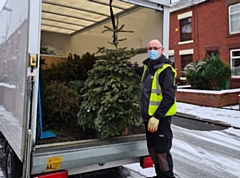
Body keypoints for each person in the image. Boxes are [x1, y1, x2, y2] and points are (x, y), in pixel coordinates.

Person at [134, 39, 177, 178]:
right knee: (153, 151)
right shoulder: (148, 67)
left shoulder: (165, 70)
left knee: (162, 153)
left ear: (161, 50)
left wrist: (157, 117)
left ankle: (167, 176)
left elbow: (169, 97)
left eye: (155, 48)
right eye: (150, 48)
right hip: (149, 120)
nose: (152, 51)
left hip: (160, 121)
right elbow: (138, 70)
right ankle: (160, 176)